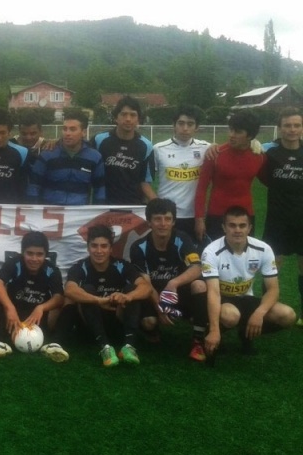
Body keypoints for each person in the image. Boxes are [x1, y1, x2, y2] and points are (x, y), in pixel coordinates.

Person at [202, 205, 296, 357]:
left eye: (242, 225)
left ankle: (246, 333)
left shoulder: (263, 249)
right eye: (232, 225)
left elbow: (273, 289)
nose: (237, 230)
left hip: (247, 298)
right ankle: (213, 330)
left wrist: (259, 313)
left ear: (249, 228)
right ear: (224, 227)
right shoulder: (211, 251)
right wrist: (214, 330)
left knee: (287, 315)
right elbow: (213, 292)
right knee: (230, 315)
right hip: (224, 301)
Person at [128, 198, 208, 361]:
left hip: (177, 292)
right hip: (154, 295)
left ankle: (198, 341)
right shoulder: (138, 247)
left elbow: (196, 267)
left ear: (173, 221)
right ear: (149, 222)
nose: (163, 224)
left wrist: (174, 282)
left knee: (199, 285)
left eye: (167, 219)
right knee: (148, 322)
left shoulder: (182, 239)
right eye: (157, 219)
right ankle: (152, 331)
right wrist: (160, 308)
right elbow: (146, 283)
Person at [63, 224, 152, 367]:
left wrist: (127, 297)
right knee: (86, 290)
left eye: (104, 246)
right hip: (91, 329)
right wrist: (98, 300)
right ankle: (105, 347)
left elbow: (146, 288)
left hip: (118, 323)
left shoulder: (121, 265)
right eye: (94, 246)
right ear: (88, 248)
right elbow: (69, 290)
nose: (99, 251)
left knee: (132, 290)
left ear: (111, 249)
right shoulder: (80, 267)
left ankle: (129, 346)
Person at [0, 231, 69, 362]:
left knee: (66, 304)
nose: (34, 259)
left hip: (36, 318)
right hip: (13, 317)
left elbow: (59, 297)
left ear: (46, 255)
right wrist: (9, 307)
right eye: (30, 253)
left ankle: (53, 344)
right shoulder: (14, 263)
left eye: (39, 254)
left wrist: (41, 307)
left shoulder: (51, 270)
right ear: (23, 252)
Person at [259, 107, 303, 325]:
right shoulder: (268, 151)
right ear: (280, 127)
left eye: (297, 125)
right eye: (287, 125)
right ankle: (264, 310)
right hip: (277, 220)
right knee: (271, 266)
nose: (292, 130)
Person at [194, 109, 264, 243]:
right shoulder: (215, 154)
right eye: (231, 130)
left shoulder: (259, 156)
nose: (231, 135)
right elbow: (201, 189)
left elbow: (269, 180)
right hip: (217, 216)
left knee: (244, 259)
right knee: (216, 260)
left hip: (246, 216)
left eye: (238, 132)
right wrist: (199, 219)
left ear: (250, 136)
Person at [151, 106, 210, 239]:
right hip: (167, 216)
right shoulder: (159, 149)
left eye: (190, 124)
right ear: (174, 125)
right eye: (181, 123)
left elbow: (226, 150)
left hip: (194, 216)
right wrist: (156, 205)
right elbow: (146, 181)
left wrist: (253, 143)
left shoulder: (206, 148)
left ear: (196, 127)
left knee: (192, 257)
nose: (185, 128)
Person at [28, 111, 105, 205]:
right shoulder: (47, 154)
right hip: (49, 215)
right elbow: (33, 186)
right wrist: (33, 210)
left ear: (83, 132)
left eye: (72, 129)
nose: (67, 133)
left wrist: (97, 214)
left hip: (79, 216)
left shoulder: (95, 157)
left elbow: (100, 190)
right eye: (65, 129)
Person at [92, 95, 156, 205]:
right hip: (103, 206)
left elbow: (145, 181)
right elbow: (79, 151)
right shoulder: (99, 140)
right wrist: (56, 142)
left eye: (133, 115)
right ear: (116, 118)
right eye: (124, 114)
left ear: (138, 120)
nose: (128, 119)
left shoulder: (146, 145)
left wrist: (158, 203)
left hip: (133, 206)